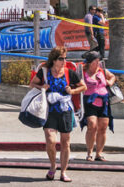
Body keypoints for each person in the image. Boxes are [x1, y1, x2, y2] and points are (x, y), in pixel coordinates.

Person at [31, 46, 85, 182]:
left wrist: (72, 91)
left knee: (65, 142)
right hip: (49, 110)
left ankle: (64, 172)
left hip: (65, 110)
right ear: (54, 59)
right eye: (61, 58)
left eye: (65, 58)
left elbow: (83, 86)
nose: (64, 61)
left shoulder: (69, 72)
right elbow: (32, 84)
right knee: (50, 140)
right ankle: (53, 166)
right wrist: (42, 87)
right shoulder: (44, 72)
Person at [80, 50, 116, 161]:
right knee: (92, 125)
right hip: (90, 101)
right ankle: (89, 152)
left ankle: (99, 153)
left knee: (103, 127)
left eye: (99, 60)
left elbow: (113, 76)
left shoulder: (103, 71)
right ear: (90, 62)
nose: (99, 62)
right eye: (96, 60)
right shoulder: (83, 72)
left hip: (104, 101)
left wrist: (110, 82)